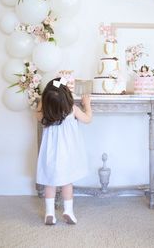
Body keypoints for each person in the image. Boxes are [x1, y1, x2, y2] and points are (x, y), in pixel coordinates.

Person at [35, 77, 92, 225]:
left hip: (50, 155)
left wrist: (44, 99)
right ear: (67, 96)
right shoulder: (73, 110)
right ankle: (68, 211)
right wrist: (87, 105)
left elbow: (39, 110)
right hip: (68, 155)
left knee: (50, 183)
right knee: (67, 183)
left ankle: (49, 213)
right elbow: (88, 119)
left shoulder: (44, 115)